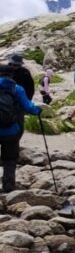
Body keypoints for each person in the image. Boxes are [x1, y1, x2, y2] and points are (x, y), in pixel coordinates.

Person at [0, 64, 43, 193]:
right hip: (12, 131)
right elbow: (29, 107)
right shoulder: (17, 89)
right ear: (12, 75)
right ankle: (8, 187)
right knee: (10, 160)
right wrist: (38, 110)